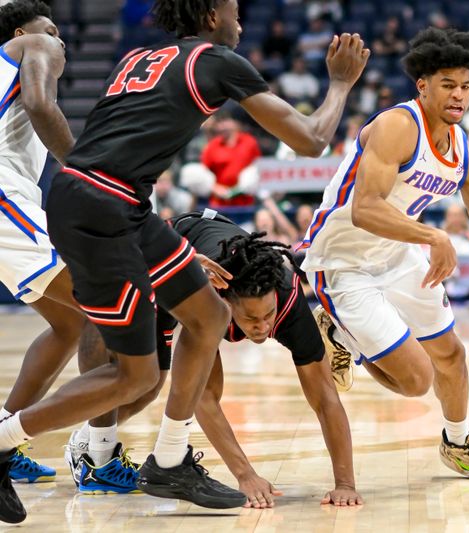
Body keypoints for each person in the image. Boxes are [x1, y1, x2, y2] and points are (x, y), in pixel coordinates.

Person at [0, 0, 369, 521]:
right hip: (101, 207)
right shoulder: (215, 59)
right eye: (235, 11)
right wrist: (340, 83)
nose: (240, 22)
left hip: (121, 202)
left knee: (210, 315)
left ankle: (170, 459)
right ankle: (5, 439)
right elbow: (310, 140)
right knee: (136, 377)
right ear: (211, 12)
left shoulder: (140, 57)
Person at [299, 28, 469, 481]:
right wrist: (434, 237)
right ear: (423, 86)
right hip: (344, 260)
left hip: (400, 252)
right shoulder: (397, 127)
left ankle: (459, 442)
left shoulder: (466, 151)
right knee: (416, 381)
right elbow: (365, 209)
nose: (459, 95)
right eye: (448, 84)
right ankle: (338, 333)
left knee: (451, 355)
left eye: (466, 85)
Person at [94, 210, 360, 507]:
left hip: (216, 236)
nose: (262, 327)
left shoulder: (289, 300)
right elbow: (203, 397)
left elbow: (325, 397)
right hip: (172, 258)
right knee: (146, 384)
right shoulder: (205, 300)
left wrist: (345, 484)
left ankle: (94, 447)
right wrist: (245, 475)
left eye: (268, 314)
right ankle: (91, 447)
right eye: (251, 318)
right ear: (225, 302)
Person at [0, 0, 87, 496]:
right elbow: (39, 104)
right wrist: (83, 169)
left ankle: (6, 446)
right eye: (51, 29)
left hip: (12, 203)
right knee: (109, 302)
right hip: (3, 200)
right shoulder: (33, 44)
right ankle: (99, 455)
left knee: (70, 322)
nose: (60, 39)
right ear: (21, 31)